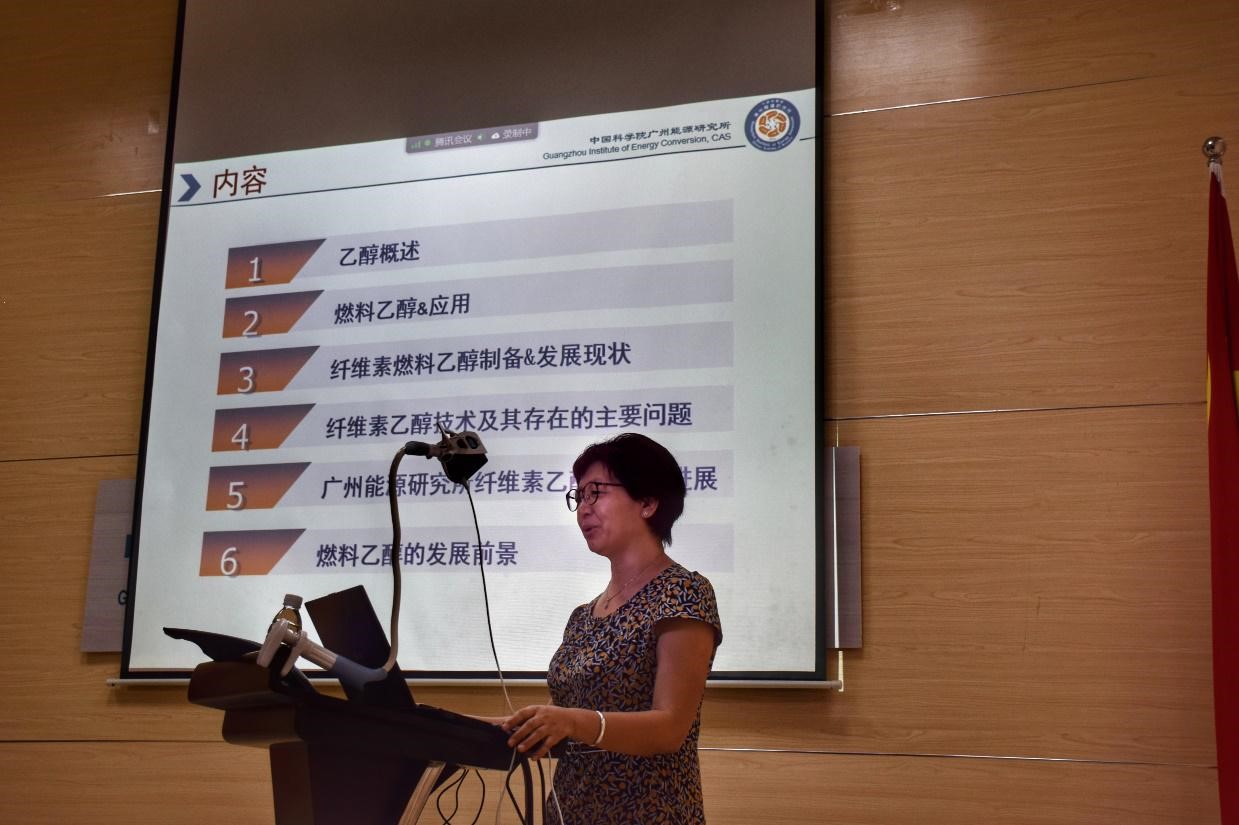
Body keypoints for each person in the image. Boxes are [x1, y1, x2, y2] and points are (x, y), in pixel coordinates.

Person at [501, 432, 722, 824]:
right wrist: (444, 727)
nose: (583, 509)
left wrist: (571, 721)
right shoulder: (582, 617)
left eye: (597, 493)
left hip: (650, 815)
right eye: (579, 496)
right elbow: (560, 726)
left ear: (648, 502)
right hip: (568, 813)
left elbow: (670, 728)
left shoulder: (683, 592)